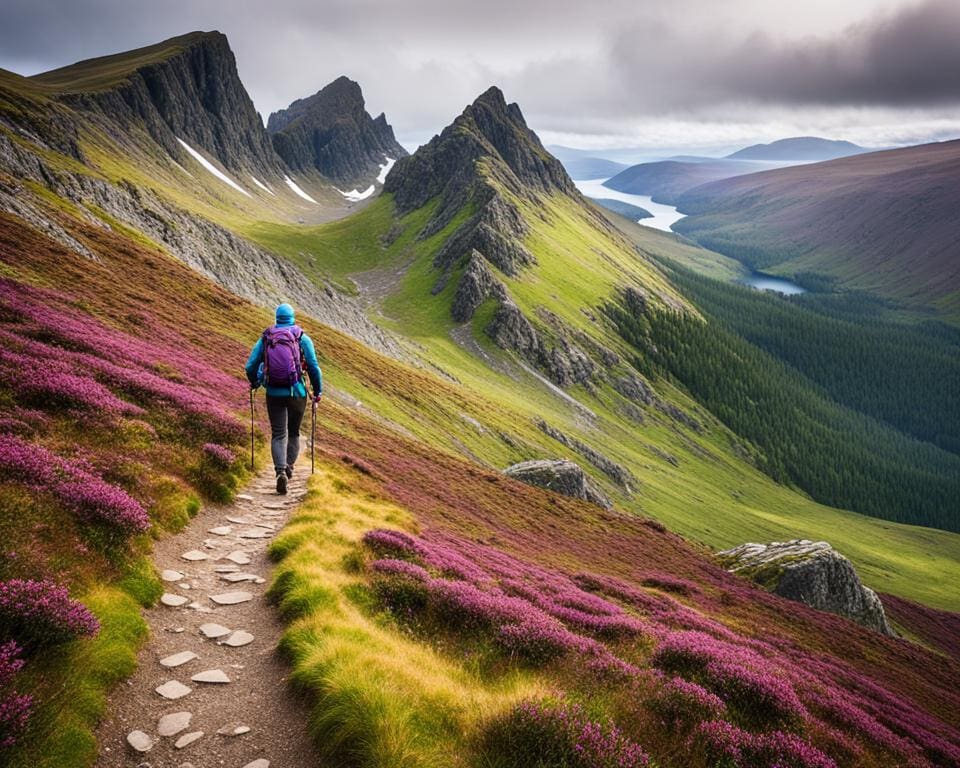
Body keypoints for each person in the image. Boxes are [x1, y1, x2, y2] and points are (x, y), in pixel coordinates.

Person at [245, 303, 322, 494]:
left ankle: (280, 472)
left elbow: (250, 366)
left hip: (273, 392)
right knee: (294, 433)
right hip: (297, 393)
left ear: (277, 317)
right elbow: (313, 367)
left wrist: (255, 382)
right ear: (293, 317)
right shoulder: (302, 338)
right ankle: (288, 467)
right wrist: (318, 392)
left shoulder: (266, 337)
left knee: (279, 434)